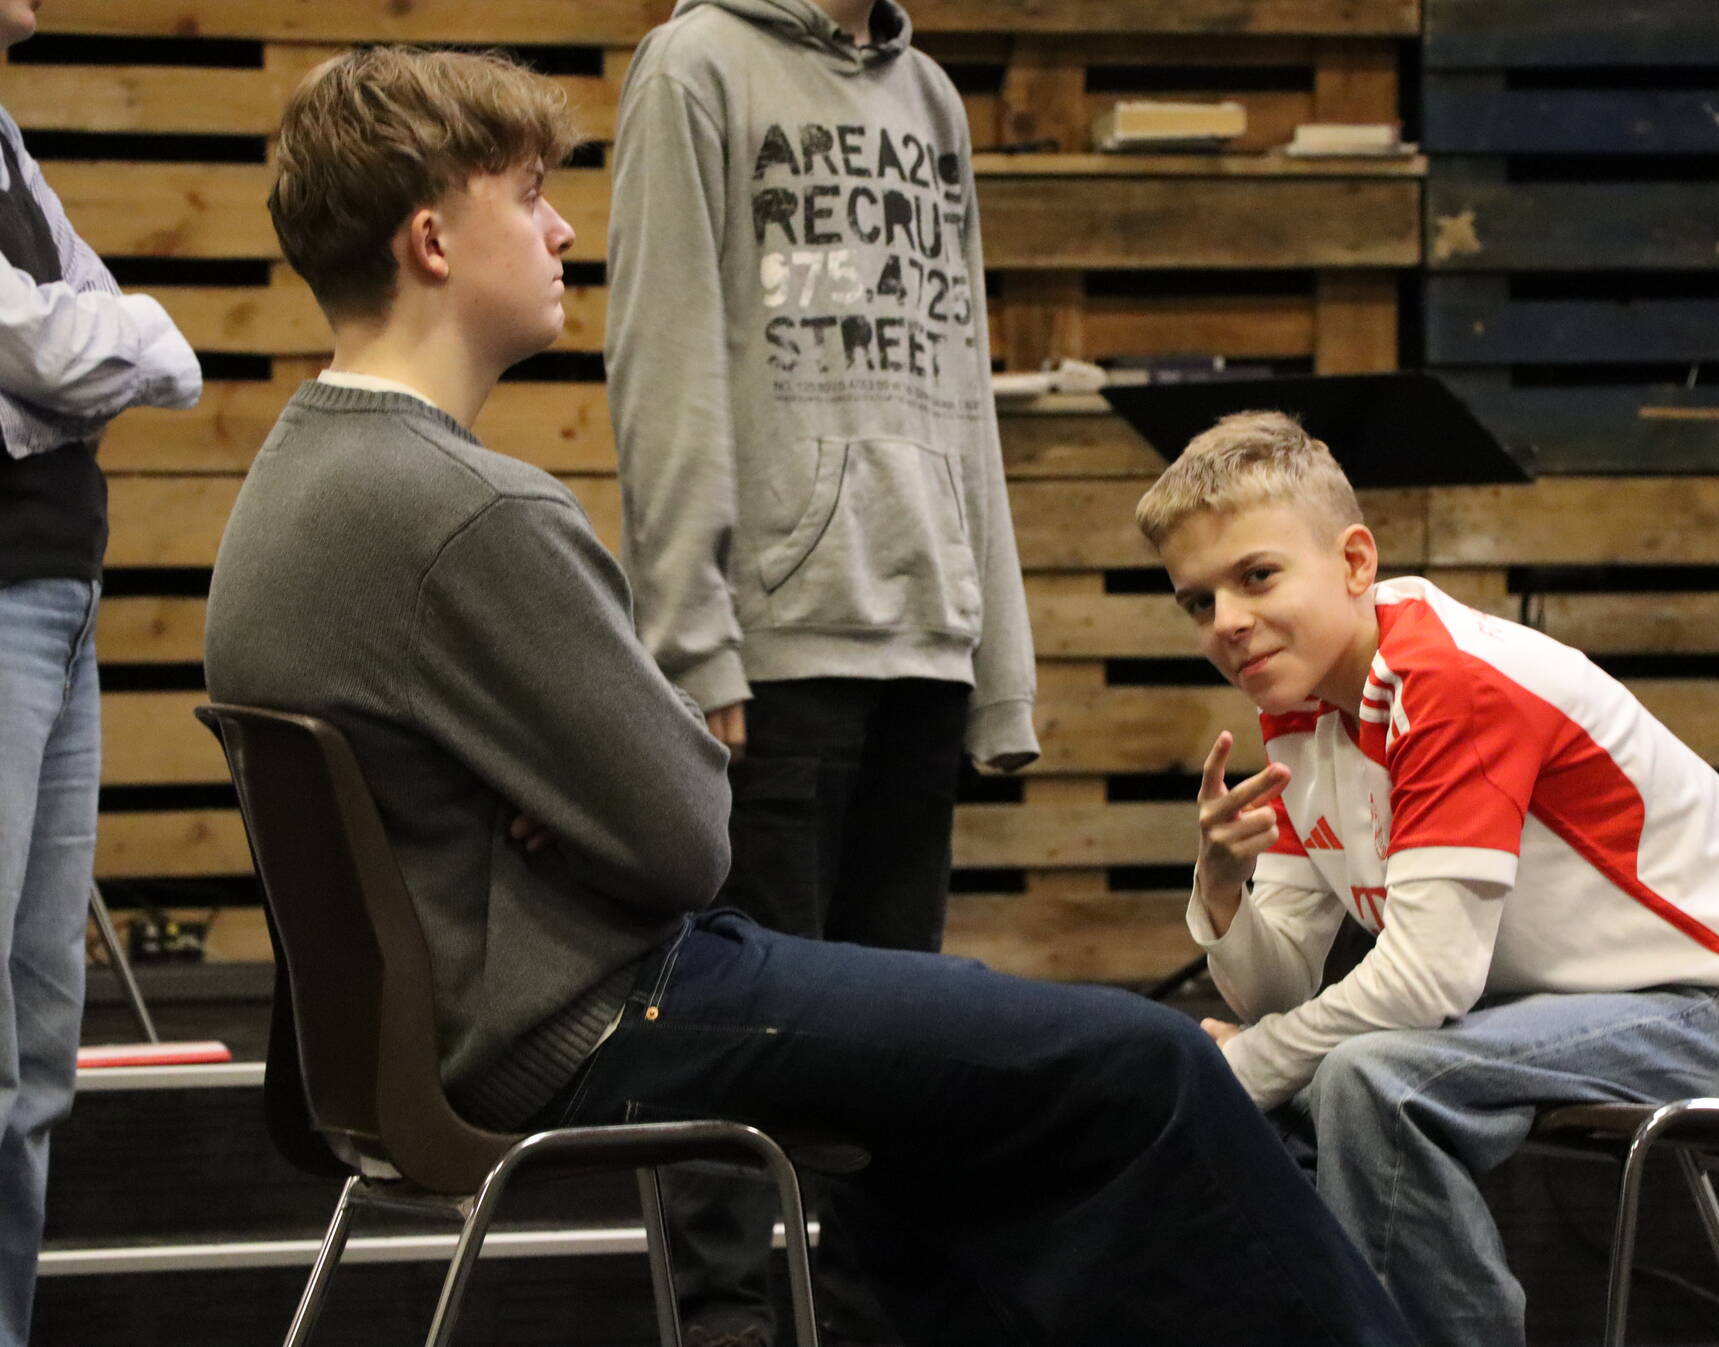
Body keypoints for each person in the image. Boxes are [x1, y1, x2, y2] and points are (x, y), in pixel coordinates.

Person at [203, 46, 1415, 1347]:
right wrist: (602, 804)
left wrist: (571, 806)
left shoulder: (298, 475)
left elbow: (605, 805)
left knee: (953, 1111)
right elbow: (687, 835)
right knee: (1147, 1060)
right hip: (588, 1013)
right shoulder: (471, 511)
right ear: (433, 240)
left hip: (461, 1026)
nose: (561, 230)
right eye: (529, 194)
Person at [1136, 411, 1719, 1347]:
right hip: (1604, 1013)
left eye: (1257, 576)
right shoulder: (1302, 704)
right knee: (1311, 1088)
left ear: (1355, 562)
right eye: (1198, 602)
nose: (1228, 623)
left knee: (1369, 1081)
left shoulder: (1451, 681)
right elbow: (1279, 991)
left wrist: (1244, 1064)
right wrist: (1222, 890)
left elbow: (1426, 980)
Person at [605, 3, 1038, 1335]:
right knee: (734, 1057)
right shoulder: (697, 65)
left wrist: (998, 659)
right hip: (770, 652)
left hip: (923, 639)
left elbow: (961, 377)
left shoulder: (931, 96)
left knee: (901, 1073)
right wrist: (691, 638)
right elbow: (662, 355)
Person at [0, 0, 203, 1338]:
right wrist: (90, 352)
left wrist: (88, 352)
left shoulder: (6, 146)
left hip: (61, 597)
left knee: (35, 1056)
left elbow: (121, 349)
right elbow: (54, 350)